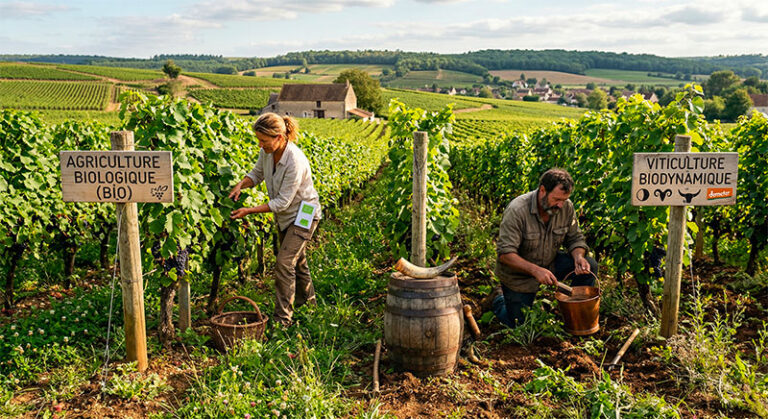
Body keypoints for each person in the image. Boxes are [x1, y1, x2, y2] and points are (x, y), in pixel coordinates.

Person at [229, 113, 322, 327]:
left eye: (264, 140)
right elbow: (257, 174)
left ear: (280, 137)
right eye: (259, 140)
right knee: (298, 262)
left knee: (284, 262)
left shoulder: (295, 160)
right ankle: (309, 305)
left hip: (305, 212)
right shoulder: (267, 152)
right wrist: (240, 185)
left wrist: (249, 210)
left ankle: (283, 319)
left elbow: (282, 202)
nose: (261, 145)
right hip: (286, 215)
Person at [490, 168, 598, 328]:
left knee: (590, 266)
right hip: (519, 275)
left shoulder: (566, 207)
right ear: (542, 190)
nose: (561, 205)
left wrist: (578, 257)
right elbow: (505, 254)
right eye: (556, 199)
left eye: (564, 199)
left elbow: (575, 239)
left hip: (550, 263)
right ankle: (499, 300)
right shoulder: (517, 210)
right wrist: (535, 270)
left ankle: (573, 313)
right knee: (518, 324)